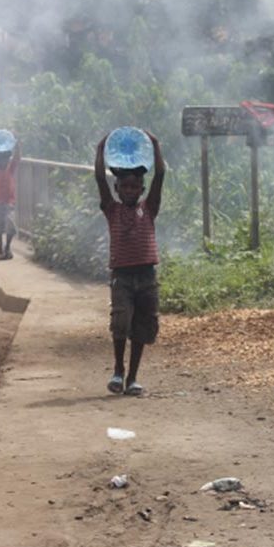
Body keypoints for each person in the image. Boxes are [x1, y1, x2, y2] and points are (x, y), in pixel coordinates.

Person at [94, 130, 165, 396]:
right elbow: (100, 177)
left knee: (143, 327)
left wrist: (155, 144)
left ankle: (133, 377)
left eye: (135, 186)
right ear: (117, 189)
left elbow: (160, 175)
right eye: (125, 186)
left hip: (147, 275)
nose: (130, 190)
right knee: (121, 321)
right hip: (122, 276)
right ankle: (118, 370)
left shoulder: (149, 208)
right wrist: (101, 150)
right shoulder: (111, 209)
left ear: (142, 190)